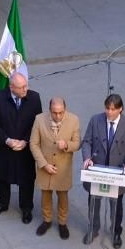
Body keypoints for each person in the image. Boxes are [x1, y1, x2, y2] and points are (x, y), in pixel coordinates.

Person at [80, 93, 125, 249]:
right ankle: (93, 228)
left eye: (113, 109)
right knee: (94, 202)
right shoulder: (95, 120)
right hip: (97, 170)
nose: (109, 112)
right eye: (107, 108)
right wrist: (87, 157)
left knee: (116, 205)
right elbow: (86, 142)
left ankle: (116, 231)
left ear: (120, 109)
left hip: (117, 172)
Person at [0, 72, 43, 222]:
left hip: (25, 148)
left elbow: (37, 123)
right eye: (21, 87)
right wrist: (6, 140)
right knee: (2, 176)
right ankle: (3, 203)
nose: (26, 89)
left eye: (26, 85)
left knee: (26, 179)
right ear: (11, 87)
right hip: (4, 146)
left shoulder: (34, 98)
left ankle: (26, 208)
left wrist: (25, 141)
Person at [31, 94, 80, 238]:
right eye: (54, 113)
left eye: (61, 112)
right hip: (45, 165)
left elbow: (77, 143)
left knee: (63, 196)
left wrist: (67, 145)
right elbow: (34, 144)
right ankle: (46, 220)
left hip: (63, 168)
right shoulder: (39, 119)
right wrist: (43, 164)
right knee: (45, 195)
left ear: (65, 109)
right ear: (49, 110)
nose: (58, 116)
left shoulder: (74, 120)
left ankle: (62, 223)